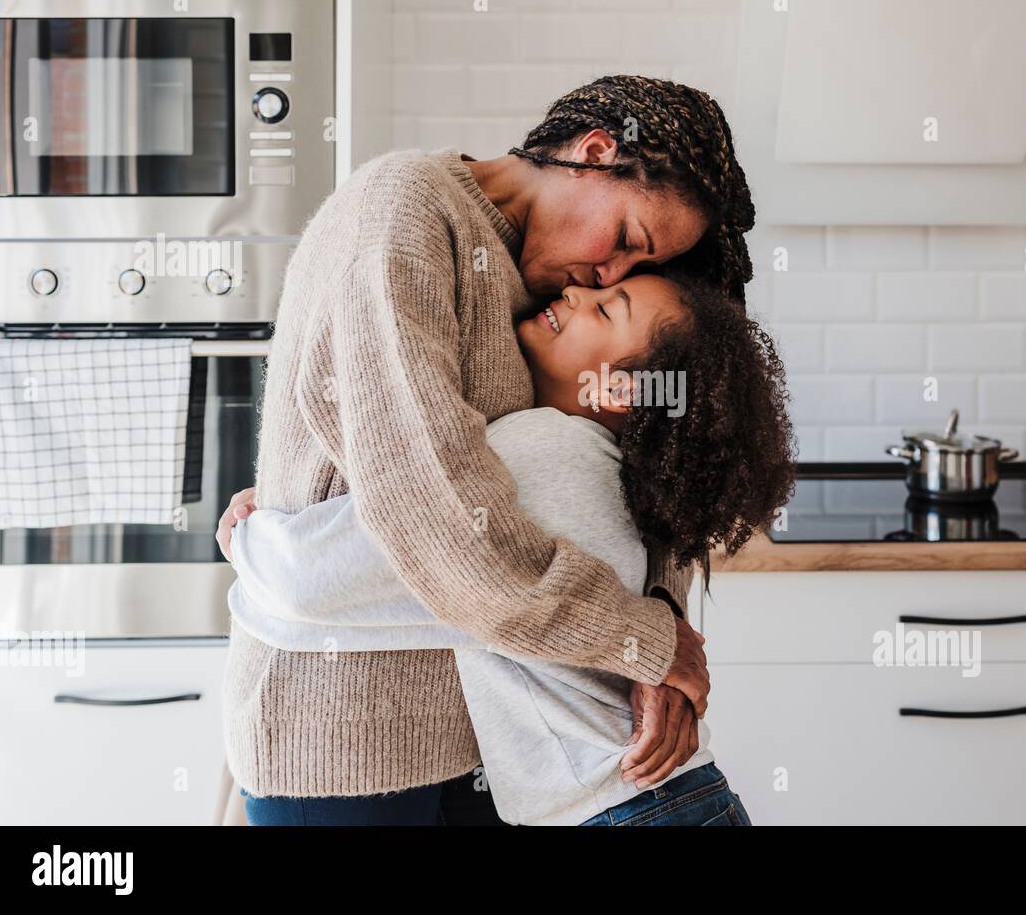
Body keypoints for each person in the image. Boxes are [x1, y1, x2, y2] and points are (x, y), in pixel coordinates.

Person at [216, 76, 757, 824]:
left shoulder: (555, 290)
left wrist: (660, 607)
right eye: (628, 241)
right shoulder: (403, 213)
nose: (609, 277)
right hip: (347, 748)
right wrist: (640, 640)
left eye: (634, 274)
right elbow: (432, 511)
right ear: (595, 153)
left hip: (495, 762)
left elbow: (640, 462)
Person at [228, 274, 795, 825]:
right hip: (657, 803)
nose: (574, 292)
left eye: (603, 309)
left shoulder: (541, 451)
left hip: (628, 810)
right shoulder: (607, 472)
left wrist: (250, 537)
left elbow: (321, 581)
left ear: (620, 389)